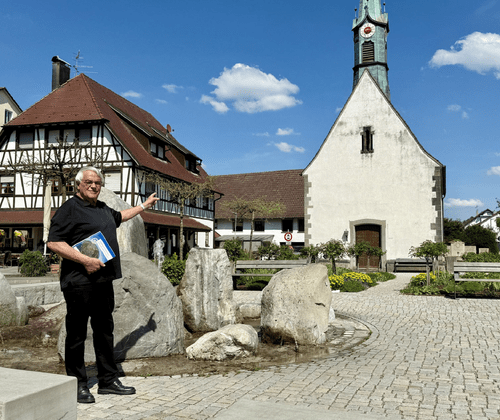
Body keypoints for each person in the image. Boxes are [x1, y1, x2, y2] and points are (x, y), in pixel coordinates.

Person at [47, 166, 159, 404]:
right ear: (78, 184)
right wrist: (85, 260)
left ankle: (108, 381)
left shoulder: (102, 208)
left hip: (103, 281)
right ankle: (77, 384)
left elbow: (120, 217)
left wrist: (143, 206)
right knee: (77, 334)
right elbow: (54, 243)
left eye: (97, 183)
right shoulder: (69, 209)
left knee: (104, 332)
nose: (93, 186)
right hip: (79, 282)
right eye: (88, 182)